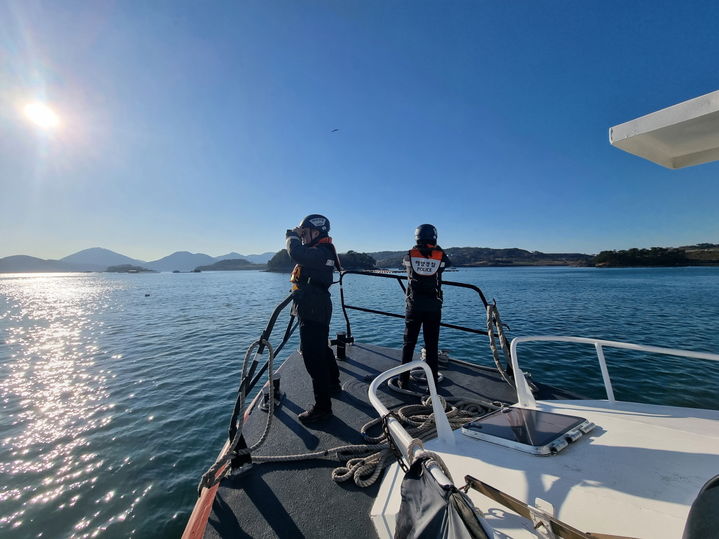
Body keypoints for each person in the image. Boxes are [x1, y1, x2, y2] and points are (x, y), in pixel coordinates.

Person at [285, 214, 342, 423]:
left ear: (316, 233)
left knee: (312, 356)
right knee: (321, 348)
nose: (302, 238)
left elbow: (296, 253)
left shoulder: (320, 252)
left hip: (314, 307)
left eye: (305, 233)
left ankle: (322, 408)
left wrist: (291, 236)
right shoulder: (321, 250)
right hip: (316, 304)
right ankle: (334, 383)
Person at [399, 224, 451, 389]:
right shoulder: (440, 256)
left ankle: (403, 380)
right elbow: (447, 263)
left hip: (413, 306)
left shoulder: (409, 256)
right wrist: (436, 249)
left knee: (409, 343)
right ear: (434, 238)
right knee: (431, 345)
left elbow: (404, 264)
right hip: (433, 308)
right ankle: (432, 382)